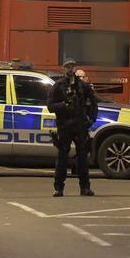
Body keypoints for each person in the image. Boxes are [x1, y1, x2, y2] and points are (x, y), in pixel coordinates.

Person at [48, 58, 98, 197]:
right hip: (65, 125)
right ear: (63, 69)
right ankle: (59, 188)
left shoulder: (83, 86)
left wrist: (91, 119)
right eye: (67, 67)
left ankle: (85, 187)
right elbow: (50, 106)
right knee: (62, 156)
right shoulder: (58, 86)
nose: (70, 69)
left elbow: (93, 104)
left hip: (80, 125)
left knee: (82, 157)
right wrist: (64, 105)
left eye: (72, 66)